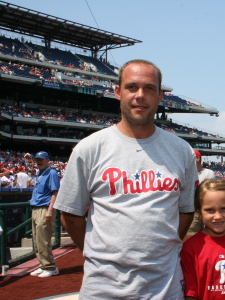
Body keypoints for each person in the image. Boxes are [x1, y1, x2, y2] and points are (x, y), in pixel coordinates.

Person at [54, 59, 198, 299]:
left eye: (149, 88)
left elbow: (185, 212)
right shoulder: (89, 148)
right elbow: (70, 215)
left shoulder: (182, 151)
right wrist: (98, 255)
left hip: (164, 287)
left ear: (160, 96)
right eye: (132, 87)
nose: (140, 95)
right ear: (118, 92)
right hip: (103, 288)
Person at [29, 151, 60, 278]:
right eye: (37, 160)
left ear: (48, 160)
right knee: (36, 240)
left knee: (43, 239)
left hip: (44, 208)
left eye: (41, 159)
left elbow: (55, 192)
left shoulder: (51, 172)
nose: (39, 161)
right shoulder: (39, 173)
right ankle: (42, 265)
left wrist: (49, 210)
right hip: (35, 208)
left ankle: (50, 267)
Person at [186, 150, 215, 237]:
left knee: (211, 234)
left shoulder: (208, 172)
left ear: (197, 158)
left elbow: (210, 191)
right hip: (193, 209)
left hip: (208, 209)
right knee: (192, 235)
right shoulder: (187, 173)